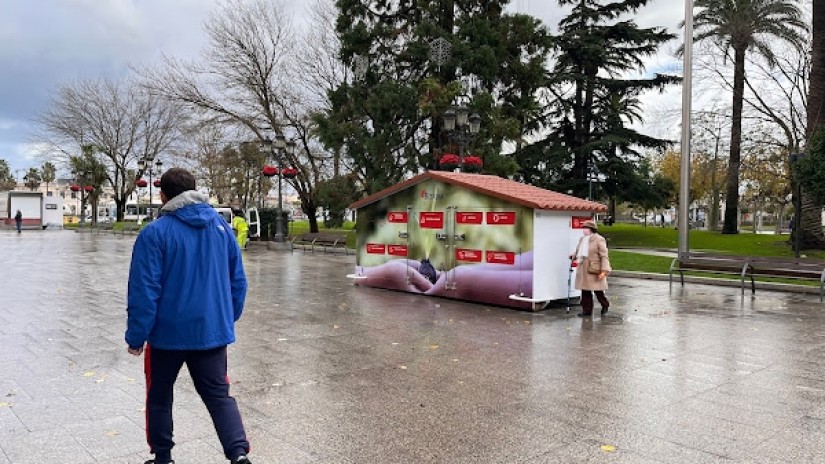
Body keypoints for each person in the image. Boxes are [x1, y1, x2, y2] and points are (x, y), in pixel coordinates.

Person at [125, 168, 252, 464]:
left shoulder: (154, 233)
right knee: (219, 397)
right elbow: (238, 281)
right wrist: (223, 319)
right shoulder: (222, 229)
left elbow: (144, 290)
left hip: (167, 336)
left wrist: (137, 335)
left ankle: (163, 457)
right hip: (211, 333)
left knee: (159, 397)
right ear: (195, 190)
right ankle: (239, 455)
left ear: (164, 195)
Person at [569, 220, 611, 318]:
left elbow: (604, 255)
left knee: (597, 290)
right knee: (585, 290)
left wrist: (604, 270)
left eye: (586, 228)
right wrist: (573, 256)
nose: (584, 230)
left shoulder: (599, 239)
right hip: (583, 266)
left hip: (594, 267)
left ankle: (605, 304)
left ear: (591, 229)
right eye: (583, 228)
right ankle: (587, 311)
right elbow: (578, 251)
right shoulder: (582, 239)